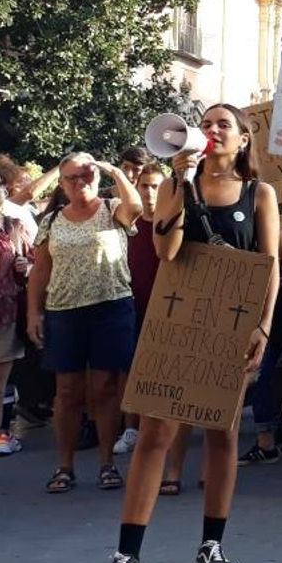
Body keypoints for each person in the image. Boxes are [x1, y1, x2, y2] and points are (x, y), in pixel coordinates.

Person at [99, 104, 280, 563]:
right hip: (178, 321)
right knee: (156, 432)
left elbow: (269, 264)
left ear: (243, 139)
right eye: (207, 124)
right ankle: (128, 555)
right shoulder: (176, 186)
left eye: (224, 124)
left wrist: (263, 326)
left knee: (223, 432)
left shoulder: (258, 194)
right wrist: (180, 185)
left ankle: (212, 544)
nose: (212, 130)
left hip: (232, 325)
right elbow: (167, 252)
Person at [27, 154, 142, 494]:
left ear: (97, 176)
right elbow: (40, 270)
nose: (80, 182)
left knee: (104, 387)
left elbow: (136, 207)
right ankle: (65, 466)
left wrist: (115, 171)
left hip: (111, 308)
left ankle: (107, 463)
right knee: (67, 390)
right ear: (62, 183)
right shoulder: (52, 221)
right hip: (64, 311)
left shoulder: (113, 209)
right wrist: (33, 312)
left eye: (86, 175)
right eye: (72, 177)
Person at [114, 164, 167, 459]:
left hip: (166, 307)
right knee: (131, 369)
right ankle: (131, 428)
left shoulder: (173, 224)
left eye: (156, 186)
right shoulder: (127, 223)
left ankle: (160, 428)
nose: (149, 192)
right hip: (131, 306)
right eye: (144, 186)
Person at [0, 176, 33, 456]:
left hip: (6, 313)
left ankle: (1, 437)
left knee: (1, 383)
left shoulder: (14, 227)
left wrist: (25, 265)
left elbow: (34, 261)